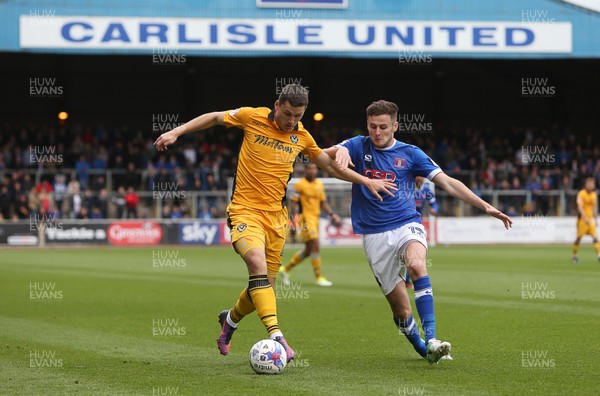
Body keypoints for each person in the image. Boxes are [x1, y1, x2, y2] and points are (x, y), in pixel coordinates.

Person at [154, 85, 396, 361]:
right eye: (288, 114)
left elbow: (329, 167)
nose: (292, 121)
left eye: (298, 115)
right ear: (277, 105)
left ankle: (229, 321)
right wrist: (176, 132)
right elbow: (215, 117)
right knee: (256, 264)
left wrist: (365, 180)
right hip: (245, 211)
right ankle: (277, 336)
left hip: (277, 219)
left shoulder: (302, 136)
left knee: (263, 284)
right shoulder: (251, 117)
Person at [326, 100, 512, 364]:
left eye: (383, 127)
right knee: (401, 310)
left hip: (406, 223)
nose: (377, 133)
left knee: (416, 265)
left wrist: (485, 206)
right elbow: (319, 155)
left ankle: (434, 338)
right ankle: (423, 347)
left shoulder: (411, 153)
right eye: (372, 127)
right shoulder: (357, 144)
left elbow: (447, 182)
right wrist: (338, 152)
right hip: (374, 235)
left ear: (395, 126)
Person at [279, 162, 340, 287]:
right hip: (305, 219)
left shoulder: (319, 184)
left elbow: (323, 203)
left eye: (314, 168)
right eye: (310, 168)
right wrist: (292, 222)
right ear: (306, 170)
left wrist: (332, 214)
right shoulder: (300, 185)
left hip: (316, 219)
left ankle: (286, 269)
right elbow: (294, 205)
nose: (312, 171)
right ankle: (318, 277)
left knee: (308, 250)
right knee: (316, 245)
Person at [572, 177, 599, 263]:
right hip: (582, 220)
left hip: (590, 220)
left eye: (592, 184)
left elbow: (594, 207)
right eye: (589, 184)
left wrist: (595, 219)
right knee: (578, 239)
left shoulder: (594, 195)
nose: (591, 186)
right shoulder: (581, 194)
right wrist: (585, 218)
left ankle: (599, 255)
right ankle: (574, 255)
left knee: (595, 238)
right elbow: (580, 208)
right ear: (586, 185)